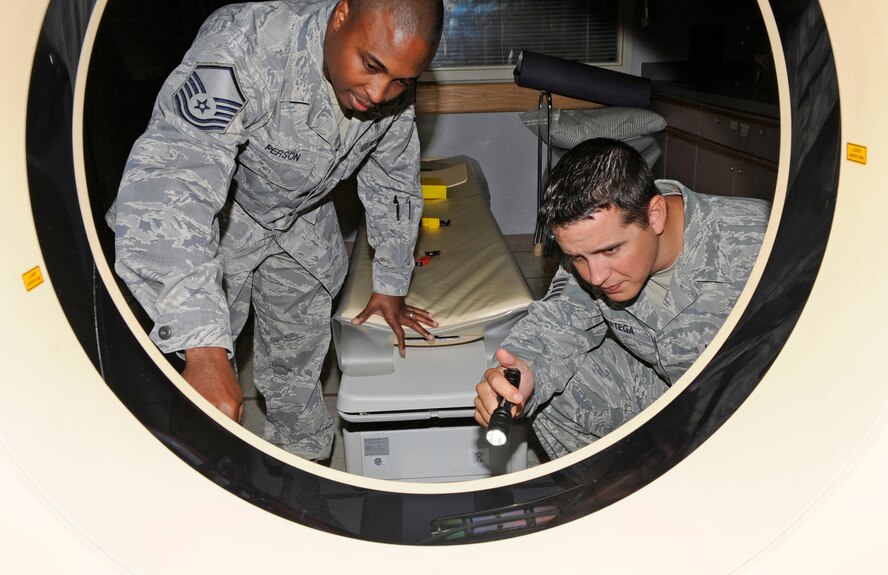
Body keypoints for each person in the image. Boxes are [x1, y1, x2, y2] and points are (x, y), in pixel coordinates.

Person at [108, 0, 443, 461]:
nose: (380, 92)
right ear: (342, 15)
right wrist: (203, 349)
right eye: (370, 65)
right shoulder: (244, 45)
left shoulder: (393, 72)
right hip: (219, 224)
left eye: (401, 80)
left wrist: (390, 283)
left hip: (303, 227)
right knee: (193, 395)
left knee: (297, 378)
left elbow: (392, 180)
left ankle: (301, 487)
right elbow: (172, 184)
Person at [474, 138, 770, 459]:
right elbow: (559, 320)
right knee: (551, 380)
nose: (596, 276)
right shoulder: (594, 249)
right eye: (577, 257)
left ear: (655, 215)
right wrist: (520, 372)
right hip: (680, 403)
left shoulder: (763, 242)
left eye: (610, 250)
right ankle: (622, 495)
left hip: (760, 418)